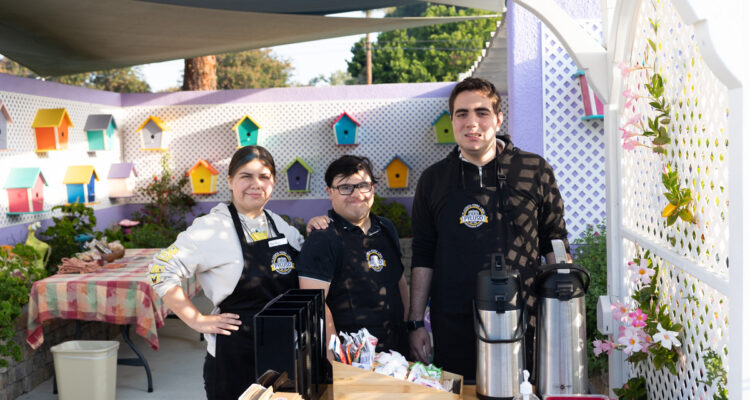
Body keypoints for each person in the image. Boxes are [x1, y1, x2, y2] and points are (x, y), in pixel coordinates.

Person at [407, 77, 571, 380]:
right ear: (452, 120)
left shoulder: (533, 169)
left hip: (523, 319)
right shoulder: (433, 179)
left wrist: (565, 316)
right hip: (455, 321)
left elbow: (554, 241)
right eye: (462, 113)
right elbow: (423, 254)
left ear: (498, 118)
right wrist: (416, 323)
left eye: (481, 112)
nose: (472, 123)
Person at [148, 145, 305, 400]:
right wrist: (195, 320)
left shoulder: (278, 225)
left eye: (264, 176)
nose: (256, 184)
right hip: (235, 360)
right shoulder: (212, 227)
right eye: (246, 176)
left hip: (285, 356)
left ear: (273, 182)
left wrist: (318, 228)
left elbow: (307, 264)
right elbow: (159, 269)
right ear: (230, 181)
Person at [297, 155, 409, 357]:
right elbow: (314, 305)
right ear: (330, 192)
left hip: (396, 354)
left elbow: (399, 280)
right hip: (354, 359)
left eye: (363, 185)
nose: (356, 194)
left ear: (373, 188)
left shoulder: (385, 228)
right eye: (345, 187)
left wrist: (412, 327)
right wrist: (336, 360)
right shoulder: (323, 238)